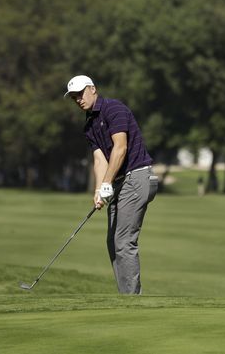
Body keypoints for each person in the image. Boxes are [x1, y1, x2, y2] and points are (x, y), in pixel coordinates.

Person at [64, 75, 158, 294]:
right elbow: (99, 160)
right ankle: (126, 296)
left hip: (137, 177)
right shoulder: (89, 125)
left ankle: (132, 300)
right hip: (119, 182)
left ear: (93, 89)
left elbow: (120, 148)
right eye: (74, 97)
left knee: (124, 241)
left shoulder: (114, 109)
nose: (78, 100)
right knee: (113, 241)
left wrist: (107, 183)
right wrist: (99, 189)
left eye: (80, 94)